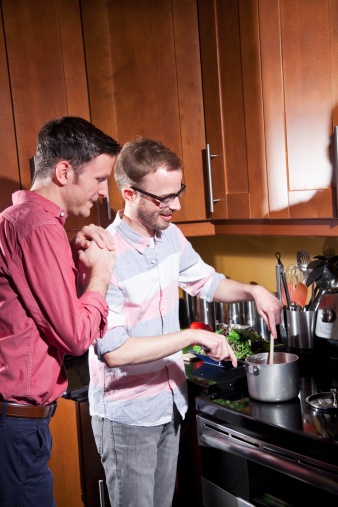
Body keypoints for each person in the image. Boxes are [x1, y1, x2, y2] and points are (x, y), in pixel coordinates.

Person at [86, 137, 283, 507]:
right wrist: (195, 338)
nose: (175, 205)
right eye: (164, 198)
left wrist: (253, 291)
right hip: (128, 415)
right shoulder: (103, 254)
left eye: (179, 193)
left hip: (169, 402)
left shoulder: (170, 236)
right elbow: (114, 352)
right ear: (129, 194)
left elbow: (206, 281)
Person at [0, 116, 121, 507]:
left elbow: (30, 301)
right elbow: (74, 336)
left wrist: (73, 253)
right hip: (16, 425)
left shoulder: (23, 221)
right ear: (64, 171)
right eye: (100, 179)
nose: (105, 192)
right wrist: (101, 273)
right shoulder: (37, 228)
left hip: (16, 424)